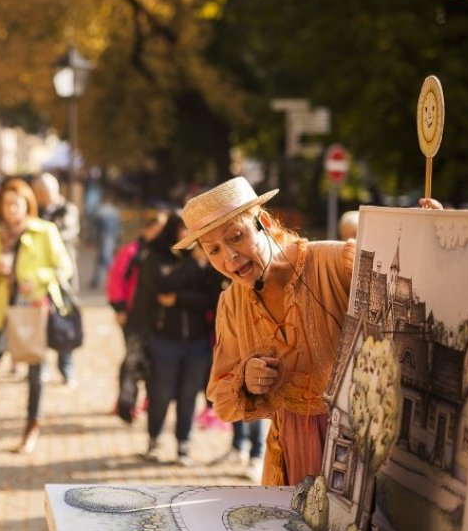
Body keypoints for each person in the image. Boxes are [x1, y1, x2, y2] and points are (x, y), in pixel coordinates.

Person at [178, 177, 355, 485]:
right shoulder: (231, 302)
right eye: (214, 250)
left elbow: (410, 278)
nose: (229, 258)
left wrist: (432, 227)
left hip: (357, 453)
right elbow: (221, 399)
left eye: (235, 236)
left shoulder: (334, 262)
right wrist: (245, 378)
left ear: (263, 221)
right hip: (287, 460)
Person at [0, 178, 73, 454]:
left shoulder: (45, 231)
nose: (11, 208)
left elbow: (64, 267)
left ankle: (31, 428)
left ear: (27, 204)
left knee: (34, 373)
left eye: (16, 203)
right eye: (6, 203)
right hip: (2, 310)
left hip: (32, 309)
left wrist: (34, 277)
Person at [127, 216, 223, 466]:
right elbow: (161, 287)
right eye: (182, 228)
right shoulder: (156, 257)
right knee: (160, 393)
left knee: (188, 395)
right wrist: (190, 269)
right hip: (163, 340)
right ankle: (154, 440)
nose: (186, 235)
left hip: (196, 342)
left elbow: (210, 298)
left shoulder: (203, 260)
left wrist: (178, 298)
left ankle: (183, 444)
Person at [107, 209, 168, 423]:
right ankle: (125, 401)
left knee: (155, 360)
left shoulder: (166, 253)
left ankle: (152, 399)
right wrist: (119, 308)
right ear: (146, 229)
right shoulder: (132, 250)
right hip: (134, 315)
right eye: (155, 229)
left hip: (157, 317)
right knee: (132, 360)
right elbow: (116, 279)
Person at [33, 172, 81, 385]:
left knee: (65, 321)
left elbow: (66, 233)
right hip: (41, 275)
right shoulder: (36, 211)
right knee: (40, 320)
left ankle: (66, 368)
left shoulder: (67, 210)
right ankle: (40, 365)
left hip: (63, 276)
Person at [89, 193, 121, 290]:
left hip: (103, 238)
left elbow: (93, 228)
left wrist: (91, 240)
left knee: (105, 260)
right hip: (110, 238)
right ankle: (97, 280)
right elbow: (118, 227)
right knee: (103, 259)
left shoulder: (98, 211)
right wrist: (118, 239)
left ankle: (114, 279)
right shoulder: (115, 211)